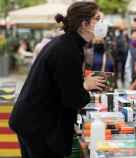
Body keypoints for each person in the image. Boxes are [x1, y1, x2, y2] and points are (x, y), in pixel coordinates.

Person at [9, 2, 107, 158]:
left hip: (33, 120)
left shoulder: (67, 44)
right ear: (84, 24)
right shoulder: (67, 49)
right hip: (38, 125)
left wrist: (82, 84)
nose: (102, 22)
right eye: (98, 18)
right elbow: (72, 99)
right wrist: (85, 87)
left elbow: (61, 84)